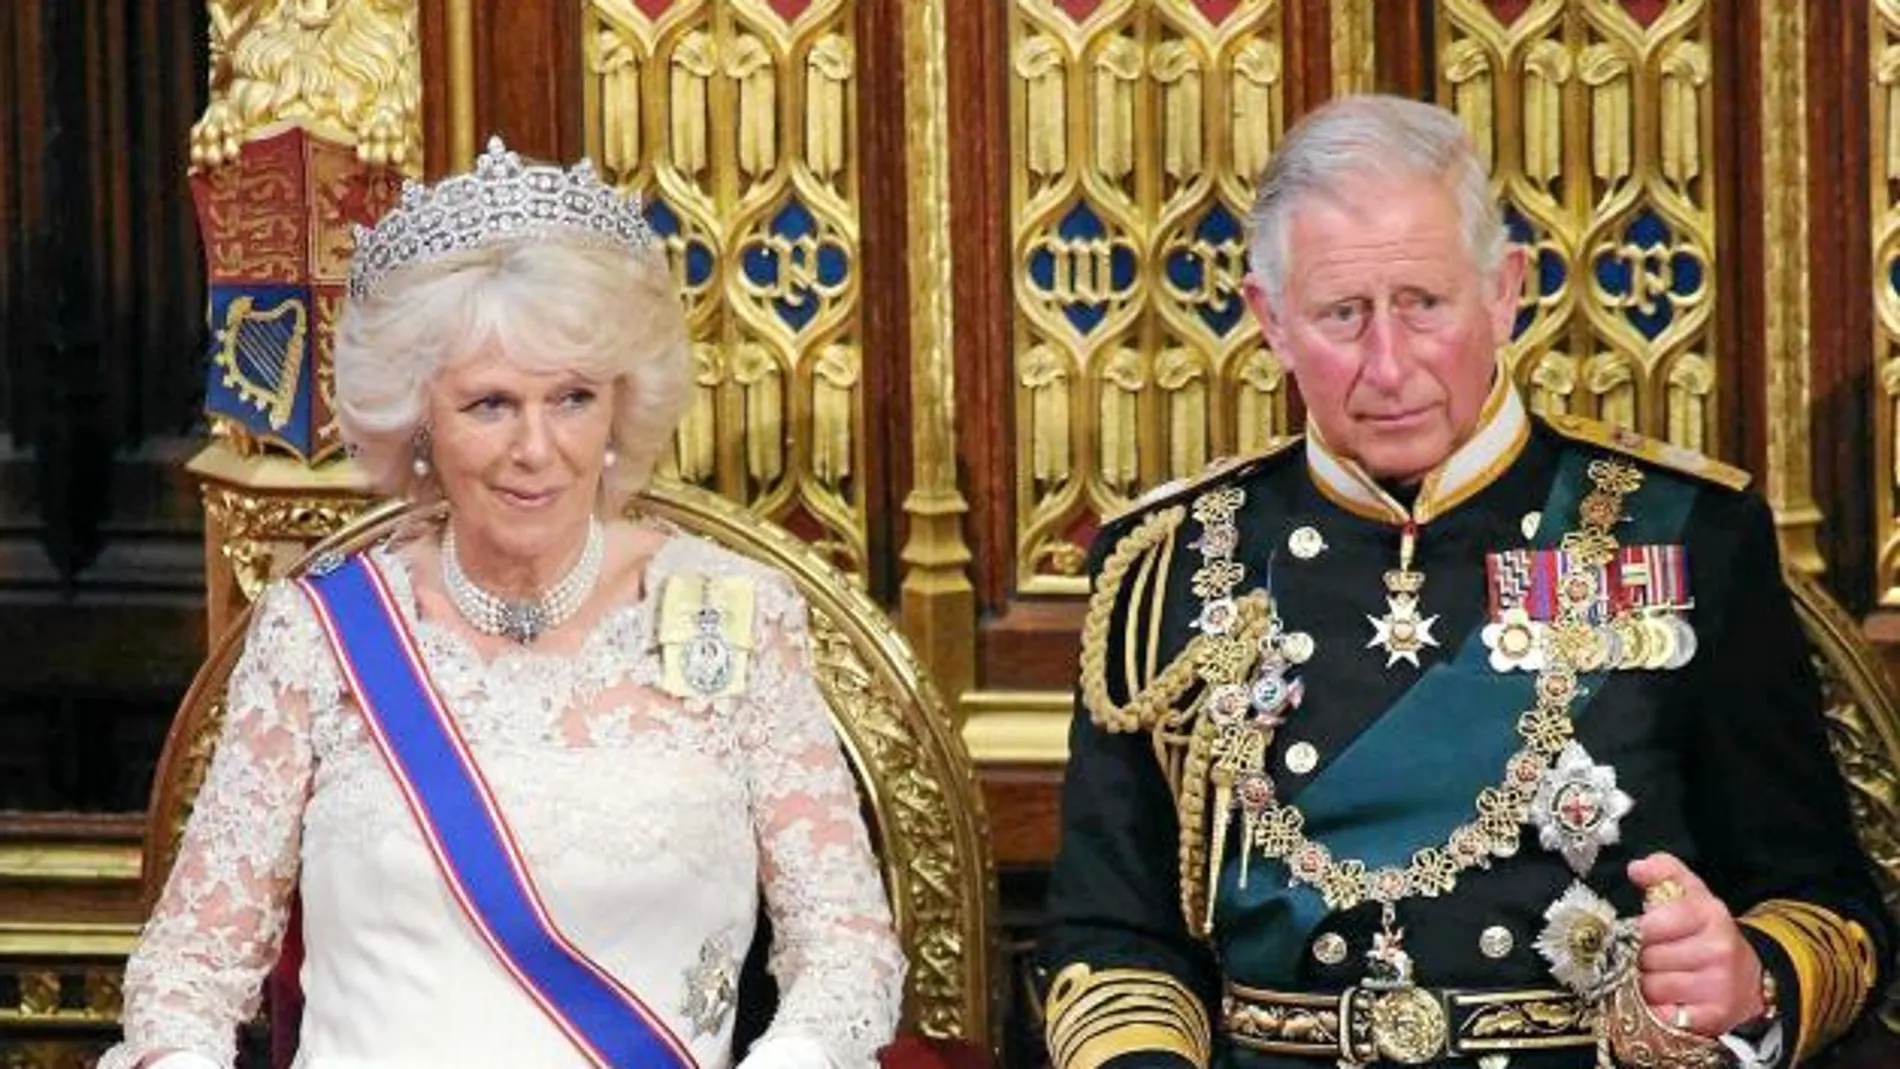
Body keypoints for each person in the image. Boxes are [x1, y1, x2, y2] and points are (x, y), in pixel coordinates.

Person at [1038, 95, 1891, 1069]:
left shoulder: (1684, 534)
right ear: (1269, 319)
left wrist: (1751, 976)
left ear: (1504, 291)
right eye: (1342, 315)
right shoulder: (1167, 563)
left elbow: (1827, 904)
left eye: (1423, 304)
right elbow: (1111, 937)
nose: (1388, 364)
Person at [103, 138, 904, 1069]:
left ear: (620, 406)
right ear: (419, 421)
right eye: (489, 404)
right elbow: (187, 971)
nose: (537, 448)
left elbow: (847, 948)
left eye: (571, 398)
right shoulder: (321, 634)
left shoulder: (736, 615)